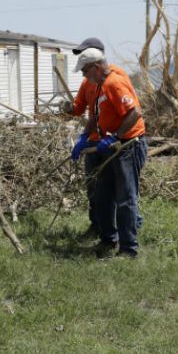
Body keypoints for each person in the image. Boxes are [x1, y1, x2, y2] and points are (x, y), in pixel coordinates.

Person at [71, 48, 147, 258]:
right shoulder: (99, 86)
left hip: (126, 146)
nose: (84, 76)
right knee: (103, 195)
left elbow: (135, 113)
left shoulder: (114, 83)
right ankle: (108, 240)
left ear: (96, 67)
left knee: (125, 198)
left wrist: (115, 136)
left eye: (85, 71)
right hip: (110, 148)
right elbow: (95, 115)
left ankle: (128, 249)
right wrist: (83, 138)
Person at [61, 38, 107, 239]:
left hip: (110, 142)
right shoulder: (87, 83)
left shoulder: (112, 80)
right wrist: (68, 108)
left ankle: (122, 229)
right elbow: (80, 109)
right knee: (92, 186)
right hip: (93, 140)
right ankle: (96, 226)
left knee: (114, 190)